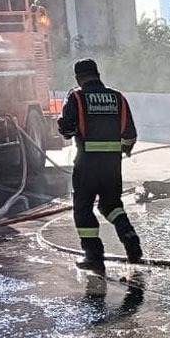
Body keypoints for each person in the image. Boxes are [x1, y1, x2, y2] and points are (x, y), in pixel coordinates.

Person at [58, 59, 141, 275]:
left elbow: (67, 129)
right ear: (97, 74)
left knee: (83, 209)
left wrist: (64, 127)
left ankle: (93, 257)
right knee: (111, 205)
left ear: (78, 78)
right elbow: (130, 136)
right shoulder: (118, 98)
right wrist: (121, 150)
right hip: (112, 166)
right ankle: (130, 238)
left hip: (86, 164)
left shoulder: (76, 97)